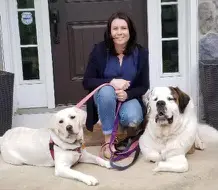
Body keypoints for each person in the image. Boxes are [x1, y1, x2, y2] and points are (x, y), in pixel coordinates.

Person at [82, 12, 149, 158]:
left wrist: (128, 94)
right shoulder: (99, 50)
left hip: (127, 98)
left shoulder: (141, 53)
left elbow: (144, 86)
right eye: (115, 28)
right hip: (103, 97)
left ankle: (115, 125)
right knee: (107, 91)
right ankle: (108, 141)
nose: (119, 32)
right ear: (109, 31)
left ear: (130, 31)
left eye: (123, 28)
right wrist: (110, 82)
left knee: (133, 118)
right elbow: (87, 81)